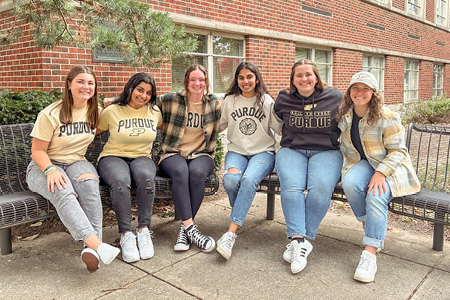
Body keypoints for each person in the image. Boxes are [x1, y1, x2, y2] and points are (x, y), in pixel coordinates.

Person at [26, 66, 120, 271]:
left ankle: (91, 252)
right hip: (44, 165)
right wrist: (50, 170)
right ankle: (98, 246)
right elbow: (37, 151)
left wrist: (113, 106)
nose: (85, 87)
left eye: (90, 83)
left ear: (95, 88)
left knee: (89, 188)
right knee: (62, 190)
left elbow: (111, 120)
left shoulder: (95, 111)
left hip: (76, 162)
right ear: (69, 84)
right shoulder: (50, 113)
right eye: (80, 81)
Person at [336, 71, 420, 283]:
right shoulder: (345, 114)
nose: (360, 92)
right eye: (356, 88)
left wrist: (381, 173)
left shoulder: (387, 116)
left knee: (375, 195)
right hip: (364, 164)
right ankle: (371, 225)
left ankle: (369, 253)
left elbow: (399, 151)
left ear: (373, 93)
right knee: (350, 183)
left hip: (391, 167)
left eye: (366, 89)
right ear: (349, 91)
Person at [274, 59, 343, 274]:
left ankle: (301, 242)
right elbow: (276, 121)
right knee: (291, 187)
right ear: (293, 80)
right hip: (292, 150)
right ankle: (298, 240)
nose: (304, 79)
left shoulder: (335, 97)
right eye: (299, 75)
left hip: (327, 151)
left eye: (308, 74)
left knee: (321, 188)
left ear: (316, 77)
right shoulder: (284, 98)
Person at [216, 62, 282, 260]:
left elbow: (279, 128)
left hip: (263, 152)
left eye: (249, 77)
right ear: (237, 80)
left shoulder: (267, 101)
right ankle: (240, 214)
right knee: (230, 180)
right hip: (237, 151)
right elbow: (219, 125)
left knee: (248, 180)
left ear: (256, 78)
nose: (246, 81)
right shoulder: (230, 101)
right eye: (241, 77)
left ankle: (230, 233)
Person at [96, 73, 162, 263]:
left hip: (142, 157)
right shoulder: (112, 111)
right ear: (131, 88)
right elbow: (92, 130)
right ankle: (126, 234)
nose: (143, 96)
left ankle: (143, 230)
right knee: (119, 182)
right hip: (112, 156)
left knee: (146, 179)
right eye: (140, 90)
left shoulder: (154, 111)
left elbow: (169, 126)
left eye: (149, 93)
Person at [158, 64, 221, 253]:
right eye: (193, 79)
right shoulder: (171, 100)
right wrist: (114, 101)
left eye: (201, 79)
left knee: (197, 172)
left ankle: (184, 230)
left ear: (206, 82)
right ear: (186, 81)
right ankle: (191, 230)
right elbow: (143, 99)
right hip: (172, 153)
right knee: (180, 170)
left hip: (202, 154)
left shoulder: (214, 103)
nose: (197, 83)